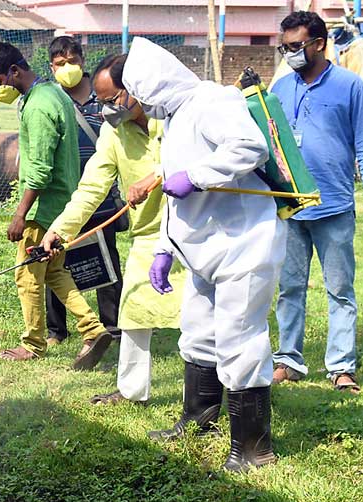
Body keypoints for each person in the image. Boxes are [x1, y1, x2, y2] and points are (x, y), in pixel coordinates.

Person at [124, 37, 285, 472]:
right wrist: (164, 249)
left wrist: (195, 175)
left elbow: (251, 148)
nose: (136, 105)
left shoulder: (213, 100)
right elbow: (177, 199)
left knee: (240, 342)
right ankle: (198, 421)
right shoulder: (175, 119)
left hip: (243, 244)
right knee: (197, 336)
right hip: (203, 252)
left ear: (154, 84)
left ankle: (254, 449)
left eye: (136, 95)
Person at [40, 53, 183, 405]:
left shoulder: (174, 118)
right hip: (149, 233)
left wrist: (158, 175)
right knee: (132, 308)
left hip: (193, 230)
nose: (106, 110)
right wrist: (61, 230)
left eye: (112, 100)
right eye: (101, 102)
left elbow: (198, 161)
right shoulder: (112, 131)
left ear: (135, 90)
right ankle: (132, 390)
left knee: (202, 320)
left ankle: (220, 391)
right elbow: (92, 187)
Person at [270, 11, 363, 392]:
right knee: (289, 287)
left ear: (319, 43)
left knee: (340, 289)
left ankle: (341, 367)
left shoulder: (350, 87)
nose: (289, 53)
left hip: (334, 205)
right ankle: (288, 359)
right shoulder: (280, 88)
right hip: (290, 207)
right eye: (284, 47)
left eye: (295, 46)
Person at [0, 41, 112, 370]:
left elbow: (39, 170)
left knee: (26, 275)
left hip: (43, 209)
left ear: (14, 71)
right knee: (54, 272)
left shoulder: (38, 107)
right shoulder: (54, 93)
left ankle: (33, 344)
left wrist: (20, 215)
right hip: (61, 204)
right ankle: (93, 329)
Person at [45, 36, 124, 346]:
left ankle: (112, 326)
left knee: (107, 261)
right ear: (51, 68)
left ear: (82, 59)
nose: (68, 69)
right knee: (55, 259)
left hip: (101, 195)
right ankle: (56, 331)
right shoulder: (50, 98)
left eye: (72, 61)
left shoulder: (103, 95)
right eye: (60, 64)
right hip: (64, 196)